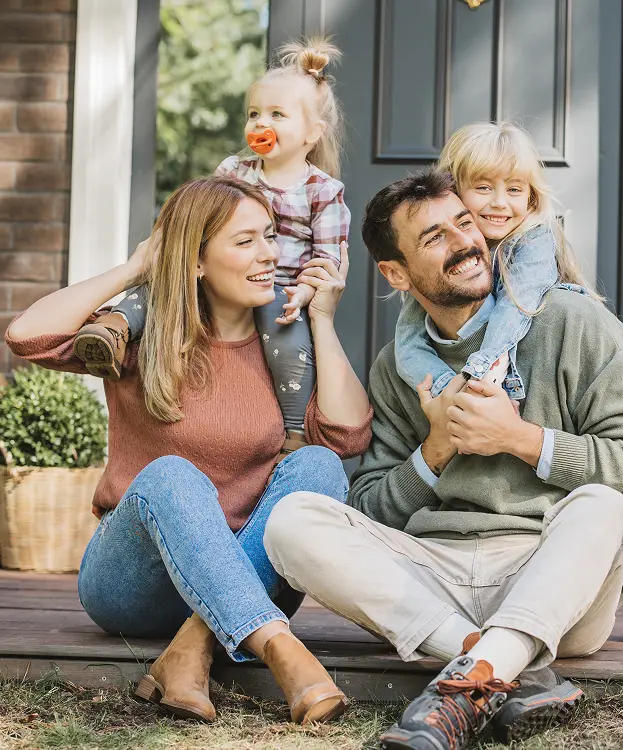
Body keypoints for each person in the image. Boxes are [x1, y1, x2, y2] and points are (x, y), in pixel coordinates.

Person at [263, 170, 623, 750]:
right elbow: (372, 506)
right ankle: (497, 663)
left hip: (553, 578)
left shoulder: (574, 323)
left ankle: (468, 679)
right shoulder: (397, 367)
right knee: (292, 519)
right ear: (395, 274)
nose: (465, 242)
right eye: (434, 237)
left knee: (604, 506)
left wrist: (520, 439)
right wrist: (436, 448)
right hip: (434, 579)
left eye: (464, 222)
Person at [5, 177, 371, 725]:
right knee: (172, 475)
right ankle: (281, 648)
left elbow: (346, 437)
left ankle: (192, 648)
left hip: (249, 572)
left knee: (317, 464)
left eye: (270, 236)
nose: (269, 253)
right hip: (135, 583)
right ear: (196, 261)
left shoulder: (286, 344)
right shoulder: (136, 334)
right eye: (245, 241)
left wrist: (321, 319)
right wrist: (135, 268)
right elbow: (28, 335)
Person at [397, 121, 623, 650]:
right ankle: (473, 641)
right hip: (453, 555)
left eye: (514, 190)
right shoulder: (439, 267)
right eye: (482, 188)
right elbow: (408, 338)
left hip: (542, 359)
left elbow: (517, 316)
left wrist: (485, 380)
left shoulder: (531, 250)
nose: (498, 204)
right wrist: (443, 396)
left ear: (532, 197)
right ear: (450, 192)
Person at [72, 37, 349, 461]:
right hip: (219, 276)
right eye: (254, 114)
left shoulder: (323, 191)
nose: (261, 123)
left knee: (291, 348)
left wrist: (307, 294)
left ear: (312, 133)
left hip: (281, 289)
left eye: (277, 114)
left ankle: (293, 434)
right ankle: (113, 330)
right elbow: (204, 214)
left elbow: (327, 256)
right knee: (160, 287)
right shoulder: (233, 171)